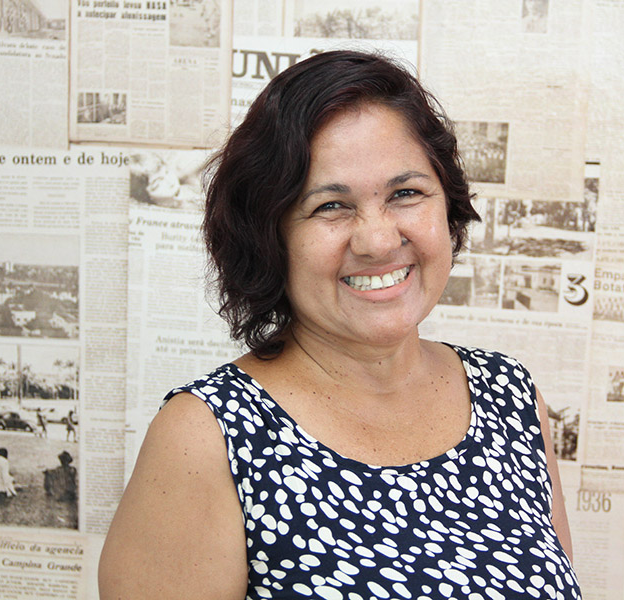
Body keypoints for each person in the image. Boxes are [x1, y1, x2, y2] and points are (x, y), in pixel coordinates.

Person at [99, 50, 579, 599]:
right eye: (330, 206)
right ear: (270, 236)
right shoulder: (206, 437)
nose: (377, 240)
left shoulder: (511, 398)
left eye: (406, 194)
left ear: (447, 207)